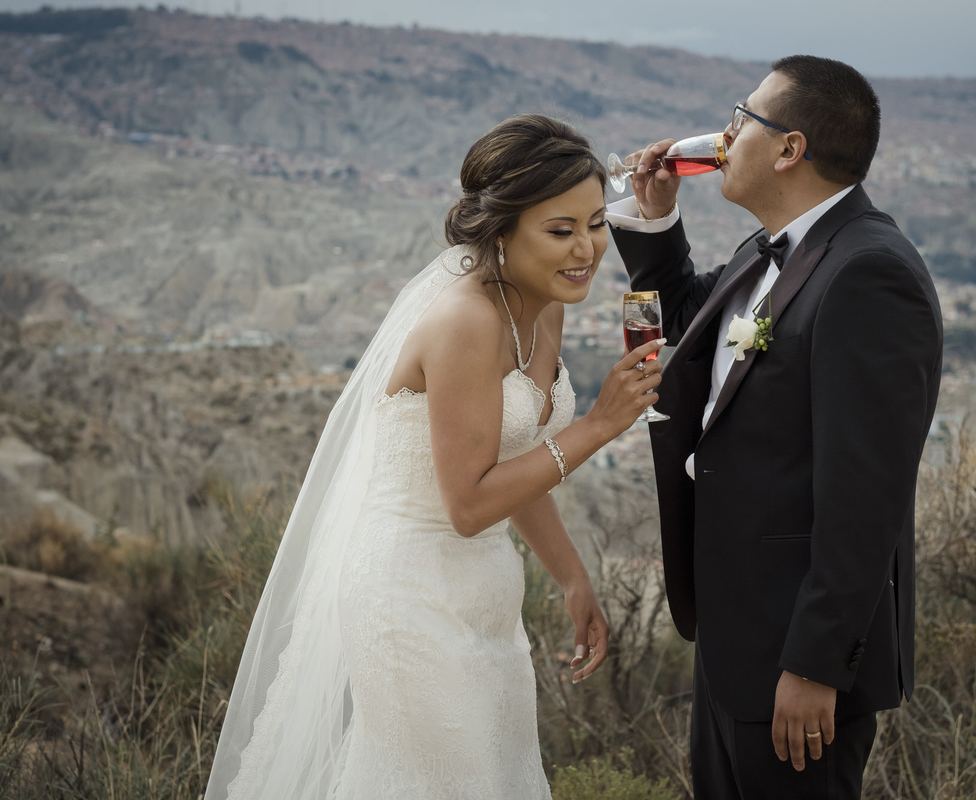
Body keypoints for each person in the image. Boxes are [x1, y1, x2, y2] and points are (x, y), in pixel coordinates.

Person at [204, 114, 666, 800]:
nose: (587, 250)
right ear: (501, 231)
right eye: (561, 230)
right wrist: (599, 425)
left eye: (596, 223)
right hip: (407, 595)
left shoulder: (545, 304)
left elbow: (515, 456)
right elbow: (470, 504)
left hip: (485, 597)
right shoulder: (466, 322)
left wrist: (572, 579)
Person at [607, 55, 944, 798]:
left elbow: (867, 496)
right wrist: (658, 220)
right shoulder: (771, 250)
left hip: (798, 668)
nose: (722, 134)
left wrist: (816, 664)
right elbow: (692, 337)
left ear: (790, 148)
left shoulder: (869, 273)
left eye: (741, 117)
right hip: (736, 647)